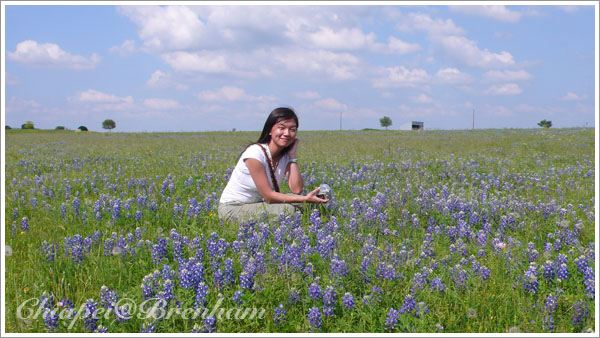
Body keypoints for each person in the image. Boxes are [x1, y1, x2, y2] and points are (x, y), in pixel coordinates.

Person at [218, 107, 329, 222]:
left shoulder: (284, 156)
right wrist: (304, 199)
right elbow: (268, 196)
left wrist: (292, 156)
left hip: (257, 204)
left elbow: (296, 190)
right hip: (233, 208)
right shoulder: (255, 153)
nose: (287, 133)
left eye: (292, 129)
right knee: (288, 210)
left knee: (307, 204)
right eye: (281, 128)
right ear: (270, 130)